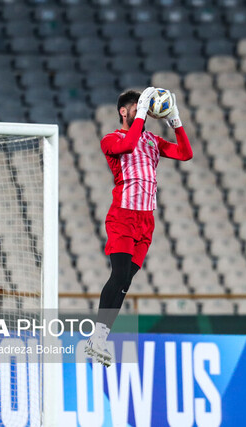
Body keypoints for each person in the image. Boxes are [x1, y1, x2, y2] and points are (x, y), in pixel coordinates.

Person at [85, 87, 192, 366]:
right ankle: (97, 338)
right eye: (137, 107)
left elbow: (185, 154)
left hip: (146, 220)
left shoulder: (152, 140)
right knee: (119, 274)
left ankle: (100, 339)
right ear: (124, 111)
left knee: (126, 281)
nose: (142, 110)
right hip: (123, 215)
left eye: (143, 107)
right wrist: (143, 113)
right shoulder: (112, 139)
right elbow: (129, 146)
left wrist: (176, 122)